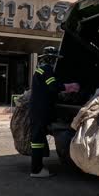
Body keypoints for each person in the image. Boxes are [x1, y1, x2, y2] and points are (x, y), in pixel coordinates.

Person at [29, 46, 80, 178]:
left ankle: (37, 168)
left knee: (37, 139)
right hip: (41, 110)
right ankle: (36, 170)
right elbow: (53, 87)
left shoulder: (39, 70)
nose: (54, 62)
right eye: (54, 59)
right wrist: (69, 87)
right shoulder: (47, 70)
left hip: (36, 109)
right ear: (52, 59)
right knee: (37, 139)